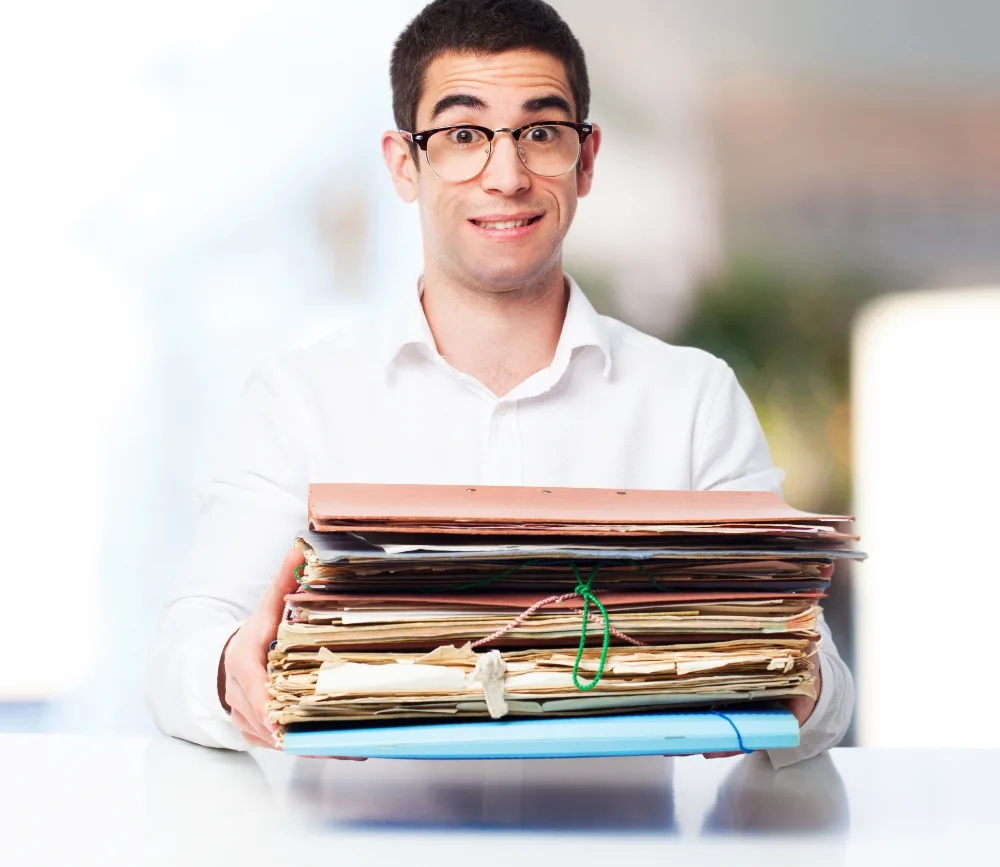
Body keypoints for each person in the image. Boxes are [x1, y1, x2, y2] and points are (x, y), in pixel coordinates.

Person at [147, 0, 854, 768]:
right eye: (462, 136)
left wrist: (780, 670)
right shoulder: (300, 399)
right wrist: (230, 674)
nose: (507, 175)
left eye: (541, 133)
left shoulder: (692, 399)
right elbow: (188, 645)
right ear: (402, 164)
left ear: (585, 160)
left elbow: (824, 689)